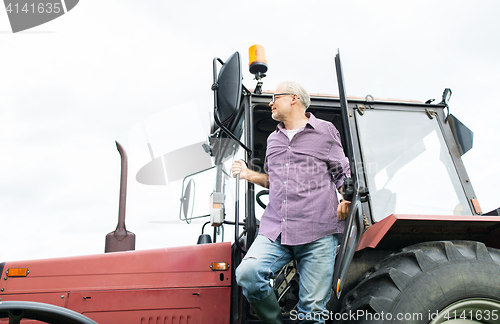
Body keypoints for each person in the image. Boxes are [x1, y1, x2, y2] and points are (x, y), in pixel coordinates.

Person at [233, 81, 351, 324]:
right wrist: (248, 174)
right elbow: (275, 180)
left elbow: (342, 173)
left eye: (275, 97)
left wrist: (346, 198)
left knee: (312, 311)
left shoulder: (325, 131)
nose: (271, 103)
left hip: (317, 231)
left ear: (293, 98)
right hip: (277, 229)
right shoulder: (273, 140)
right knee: (248, 273)